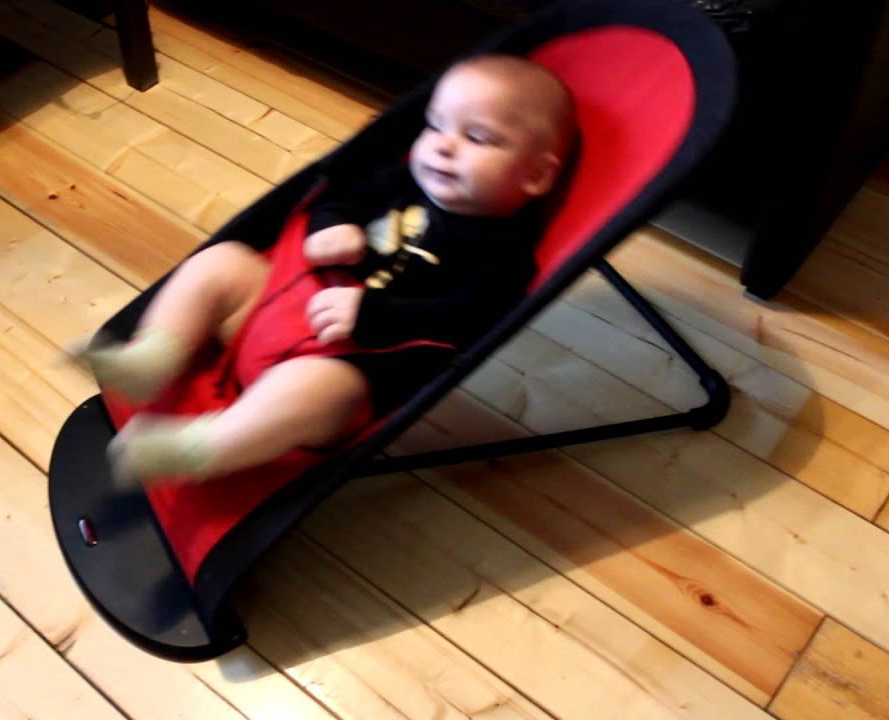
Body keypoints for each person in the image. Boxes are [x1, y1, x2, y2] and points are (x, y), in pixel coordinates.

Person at [80, 53, 577, 488]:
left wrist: (374, 315)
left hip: (347, 369)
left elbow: (470, 318)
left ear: (536, 174)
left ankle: (201, 449)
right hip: (279, 311)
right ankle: (153, 356)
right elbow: (340, 196)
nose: (444, 146)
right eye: (435, 125)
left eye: (477, 137)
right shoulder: (402, 180)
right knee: (221, 262)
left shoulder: (504, 252)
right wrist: (331, 225)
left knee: (311, 393)